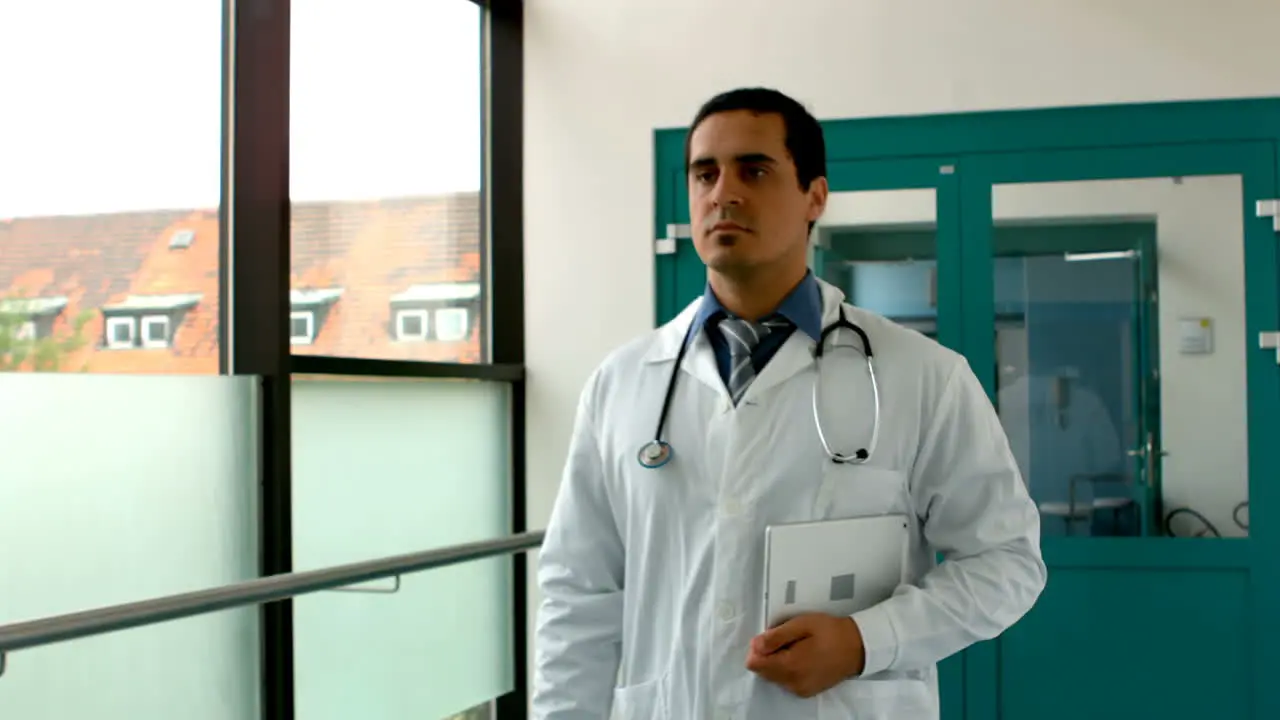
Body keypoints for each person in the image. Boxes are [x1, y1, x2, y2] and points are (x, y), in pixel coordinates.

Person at [532, 87, 1047, 720]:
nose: (723, 192)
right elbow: (578, 594)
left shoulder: (923, 376)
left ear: (815, 196)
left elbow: (1006, 562)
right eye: (704, 173)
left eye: (754, 169)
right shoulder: (622, 382)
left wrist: (866, 641)